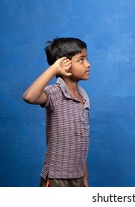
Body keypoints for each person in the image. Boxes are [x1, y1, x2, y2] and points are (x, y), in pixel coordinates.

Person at [23, 37, 91, 187]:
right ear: (64, 65)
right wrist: (54, 68)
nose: (88, 64)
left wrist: (84, 177)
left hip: (78, 176)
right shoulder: (55, 93)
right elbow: (29, 96)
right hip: (56, 178)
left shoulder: (83, 98)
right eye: (81, 60)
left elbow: (80, 144)